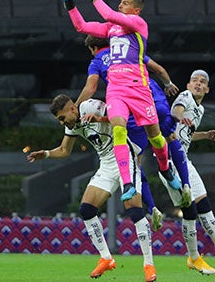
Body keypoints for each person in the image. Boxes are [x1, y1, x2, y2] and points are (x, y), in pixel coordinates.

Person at [63, 0, 180, 202]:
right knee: (118, 129)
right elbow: (81, 26)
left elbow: (107, 13)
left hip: (138, 88)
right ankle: (127, 182)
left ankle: (165, 168)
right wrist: (69, 2)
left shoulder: (138, 24)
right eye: (120, 2)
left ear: (136, 10)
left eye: (125, 3)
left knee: (156, 137)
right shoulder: (110, 29)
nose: (120, 5)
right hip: (116, 90)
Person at [27, 94, 158, 282]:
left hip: (125, 159)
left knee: (135, 211)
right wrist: (46, 154)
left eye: (62, 118)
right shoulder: (72, 125)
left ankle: (149, 264)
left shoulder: (91, 107)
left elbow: (122, 118)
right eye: (59, 120)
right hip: (106, 164)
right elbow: (64, 150)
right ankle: (106, 257)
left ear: (72, 108)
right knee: (86, 209)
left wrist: (100, 119)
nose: (62, 123)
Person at [76, 35, 192, 230]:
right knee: (164, 136)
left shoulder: (96, 61)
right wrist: (168, 83)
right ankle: (174, 176)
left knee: (133, 158)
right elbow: (159, 69)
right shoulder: (128, 50)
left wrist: (76, 107)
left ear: (93, 48)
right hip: (152, 95)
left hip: (127, 100)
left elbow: (91, 87)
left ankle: (152, 206)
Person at [165, 70, 215, 275]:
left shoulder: (200, 110)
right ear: (188, 85)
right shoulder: (185, 97)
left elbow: (186, 135)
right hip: (169, 161)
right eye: (195, 81)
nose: (198, 84)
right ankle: (194, 258)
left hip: (184, 159)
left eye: (202, 82)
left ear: (208, 89)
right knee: (190, 209)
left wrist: (205, 135)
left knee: (203, 203)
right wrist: (177, 116)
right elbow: (176, 110)